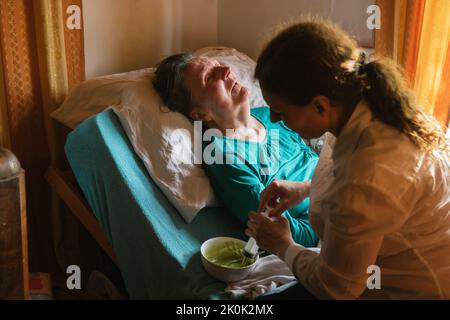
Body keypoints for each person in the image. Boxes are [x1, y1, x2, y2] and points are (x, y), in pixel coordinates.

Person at [246, 19, 450, 299]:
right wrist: (306, 187)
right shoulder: (358, 105)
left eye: (280, 111)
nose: (272, 119)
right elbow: (349, 176)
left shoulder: (370, 174)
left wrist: (284, 245)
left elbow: (336, 288)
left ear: (320, 105)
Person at [153, 53, 319, 247]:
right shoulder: (224, 156)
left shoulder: (268, 114)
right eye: (209, 77)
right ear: (200, 114)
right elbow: (294, 236)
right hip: (332, 218)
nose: (226, 70)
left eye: (219, 65)